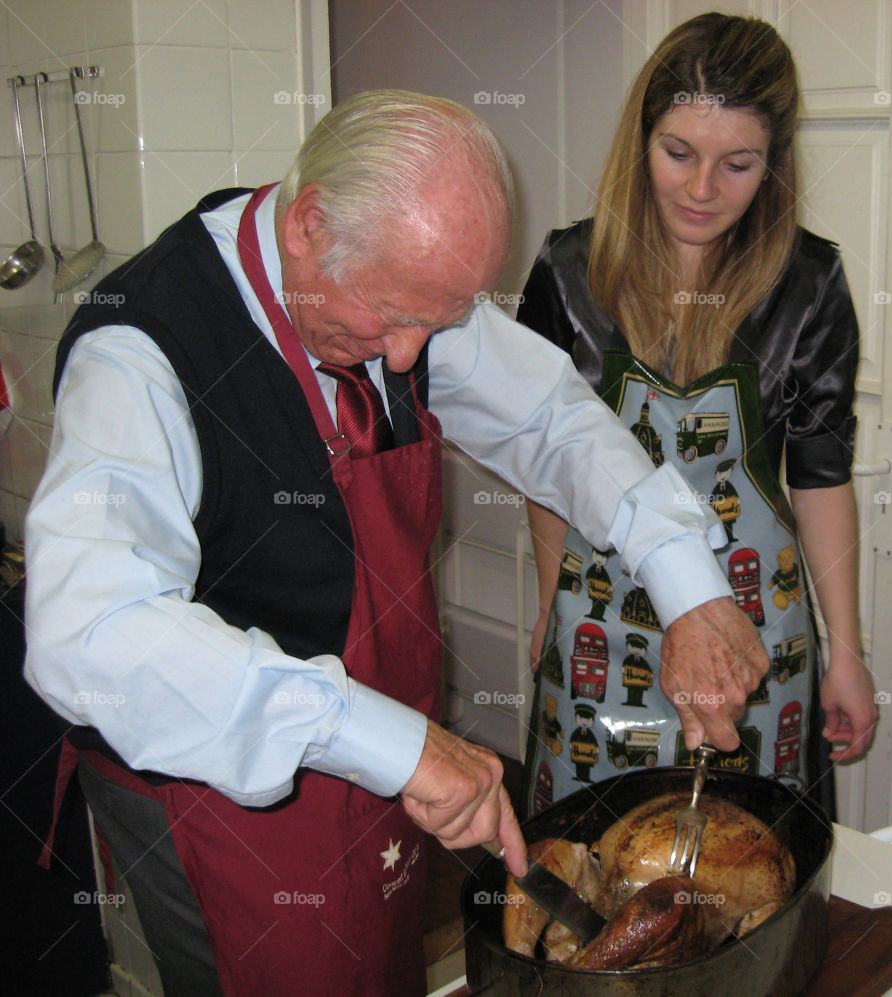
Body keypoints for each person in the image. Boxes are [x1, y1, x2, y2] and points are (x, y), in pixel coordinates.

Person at [24, 90, 767, 997]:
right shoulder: (139, 356)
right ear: (308, 226)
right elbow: (89, 635)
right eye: (391, 318)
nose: (411, 357)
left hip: (380, 764)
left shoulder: (397, 283)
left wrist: (685, 578)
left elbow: (553, 421)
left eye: (441, 321)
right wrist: (384, 736)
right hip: (211, 791)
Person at [520, 13, 878, 818]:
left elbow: (821, 474)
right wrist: (552, 601)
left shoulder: (811, 282)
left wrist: (847, 650)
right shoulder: (567, 274)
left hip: (757, 632)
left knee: (749, 854)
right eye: (678, 153)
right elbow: (541, 459)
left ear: (774, 165)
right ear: (640, 140)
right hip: (598, 627)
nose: (702, 189)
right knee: (589, 855)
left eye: (738, 164)